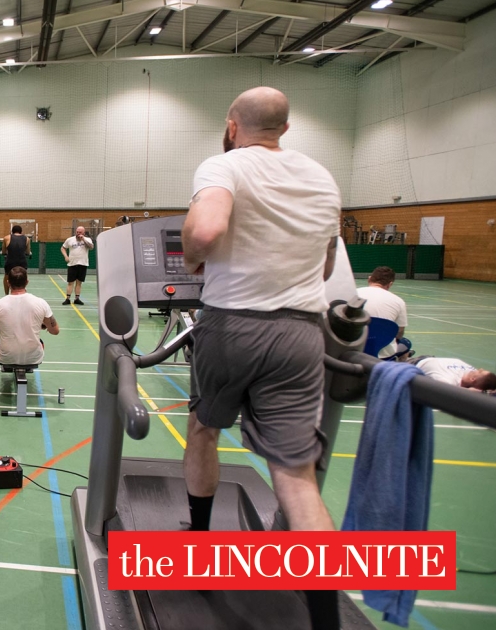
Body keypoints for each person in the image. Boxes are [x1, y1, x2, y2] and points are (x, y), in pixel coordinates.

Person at [180, 87, 343, 629]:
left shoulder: (225, 166)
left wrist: (194, 258)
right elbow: (323, 270)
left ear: (233, 126)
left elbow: (205, 229)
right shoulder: (322, 178)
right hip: (301, 332)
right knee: (297, 479)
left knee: (203, 429)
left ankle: (200, 549)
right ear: (286, 128)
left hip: (232, 324)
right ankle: (325, 618)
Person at [0, 267, 59, 364]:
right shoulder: (41, 303)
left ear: (8, 283)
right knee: (40, 342)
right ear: (27, 282)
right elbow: (55, 331)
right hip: (34, 358)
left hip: (5, 358)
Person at [356, 266, 411, 360]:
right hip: (383, 355)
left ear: (369, 279)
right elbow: (399, 332)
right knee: (406, 343)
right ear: (390, 284)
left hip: (353, 349)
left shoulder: (354, 293)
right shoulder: (399, 301)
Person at [412, 357, 496, 391]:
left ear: (473, 379)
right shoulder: (471, 372)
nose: (480, 369)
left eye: (480, 372)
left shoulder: (447, 380)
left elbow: (447, 392)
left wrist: (468, 391)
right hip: (432, 358)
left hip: (414, 363)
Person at [60, 226, 94, 305]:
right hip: (72, 264)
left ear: (83, 233)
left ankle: (77, 298)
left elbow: (91, 247)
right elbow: (63, 248)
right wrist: (66, 256)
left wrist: (83, 239)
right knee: (70, 282)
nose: (78, 234)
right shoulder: (70, 240)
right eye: (77, 232)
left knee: (79, 282)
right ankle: (68, 298)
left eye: (80, 232)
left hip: (83, 263)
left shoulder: (87, 240)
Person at [1, 225, 30, 295]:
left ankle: (6, 294)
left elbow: (3, 251)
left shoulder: (6, 238)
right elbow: (28, 252)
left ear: (12, 231)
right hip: (22, 262)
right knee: (23, 277)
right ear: (21, 232)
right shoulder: (27, 239)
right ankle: (22, 293)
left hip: (11, 262)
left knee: (7, 276)